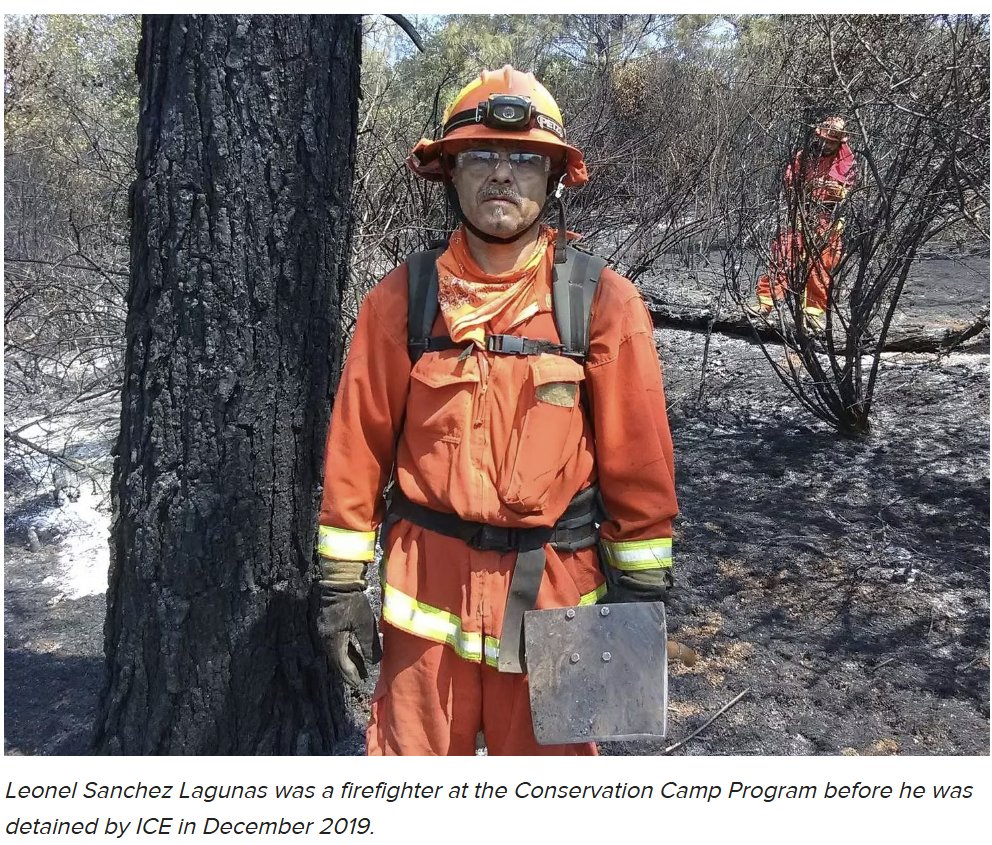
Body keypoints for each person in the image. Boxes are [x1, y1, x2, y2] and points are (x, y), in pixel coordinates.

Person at [314, 65, 678, 756]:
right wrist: (339, 588)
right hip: (426, 611)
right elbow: (355, 452)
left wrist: (641, 598)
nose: (501, 175)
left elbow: (641, 465)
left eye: (524, 159)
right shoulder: (402, 300)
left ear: (555, 177)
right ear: (450, 173)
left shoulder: (603, 303)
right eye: (480, 155)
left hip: (559, 606)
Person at [756, 116, 857, 331]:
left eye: (831, 141)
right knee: (784, 257)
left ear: (839, 142)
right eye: (823, 139)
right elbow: (790, 181)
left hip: (828, 218)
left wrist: (836, 191)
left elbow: (850, 190)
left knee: (821, 265)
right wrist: (809, 187)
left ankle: (813, 313)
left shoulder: (846, 159)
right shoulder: (804, 156)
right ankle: (765, 302)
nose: (825, 144)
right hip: (801, 213)